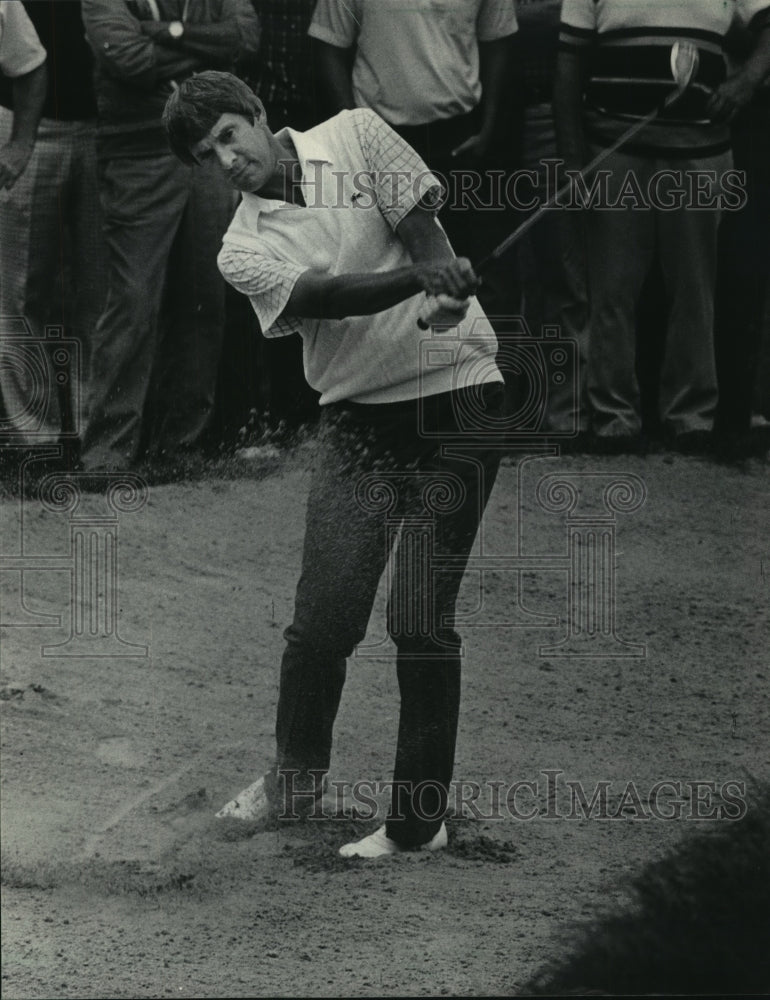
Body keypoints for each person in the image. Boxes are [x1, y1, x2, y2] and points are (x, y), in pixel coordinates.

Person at [163, 71, 505, 858]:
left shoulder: (356, 133)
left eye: (226, 135)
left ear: (256, 113)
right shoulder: (240, 248)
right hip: (357, 417)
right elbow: (330, 297)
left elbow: (424, 233)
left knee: (419, 619)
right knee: (322, 620)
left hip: (460, 398)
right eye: (207, 155)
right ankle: (295, 781)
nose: (227, 160)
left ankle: (418, 825)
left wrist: (445, 290)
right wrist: (418, 280)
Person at [555, 0, 770, 447]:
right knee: (612, 290)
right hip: (613, 149)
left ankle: (690, 416)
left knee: (694, 289)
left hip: (702, 150)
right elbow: (568, 64)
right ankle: (614, 417)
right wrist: (574, 160)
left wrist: (747, 80)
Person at [79, 0, 260, 472]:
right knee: (133, 301)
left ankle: (179, 447)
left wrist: (167, 31)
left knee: (206, 296)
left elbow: (244, 39)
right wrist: (210, 61)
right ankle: (107, 453)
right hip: (139, 155)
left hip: (210, 156)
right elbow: (129, 61)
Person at [308, 0, 518, 320]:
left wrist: (487, 127)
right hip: (380, 139)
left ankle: (479, 365)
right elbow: (328, 48)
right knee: (392, 275)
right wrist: (354, 133)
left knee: (470, 273)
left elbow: (497, 41)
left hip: (458, 136)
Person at [0, 1, 105, 452]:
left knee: (101, 291)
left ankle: (93, 429)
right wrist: (19, 140)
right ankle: (34, 438)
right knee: (21, 290)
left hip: (105, 129)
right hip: (27, 125)